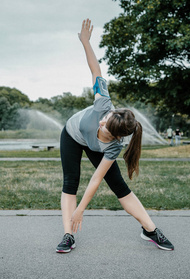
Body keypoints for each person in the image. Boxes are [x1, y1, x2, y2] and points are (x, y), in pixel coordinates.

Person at [56, 19, 174, 253]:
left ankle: (149, 229)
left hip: (95, 147)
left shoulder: (113, 147)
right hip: (72, 134)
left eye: (106, 127)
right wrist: (86, 43)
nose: (101, 121)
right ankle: (68, 235)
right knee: (70, 183)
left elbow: (96, 180)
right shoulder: (103, 104)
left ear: (115, 137)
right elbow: (96, 70)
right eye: (105, 119)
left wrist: (82, 209)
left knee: (119, 186)